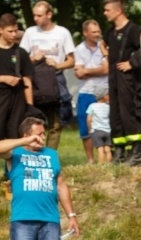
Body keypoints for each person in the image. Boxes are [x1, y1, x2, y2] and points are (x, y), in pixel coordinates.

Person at [0, 117, 80, 240]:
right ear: (26, 135)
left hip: (49, 220)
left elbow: (61, 186)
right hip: (22, 219)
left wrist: (71, 215)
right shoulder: (14, 154)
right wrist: (23, 142)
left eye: (43, 133)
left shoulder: (52, 155)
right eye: (38, 133)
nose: (42, 137)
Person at [102, 0, 141, 166]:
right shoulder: (110, 32)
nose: (105, 13)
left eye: (107, 10)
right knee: (115, 114)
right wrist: (108, 57)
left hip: (129, 80)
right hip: (114, 78)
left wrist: (132, 63)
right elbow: (102, 45)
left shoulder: (133, 29)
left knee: (129, 113)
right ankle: (119, 150)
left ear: (118, 11)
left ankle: (136, 151)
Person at [19, 1, 75, 150]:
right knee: (34, 119)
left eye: (39, 15)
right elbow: (20, 58)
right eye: (34, 15)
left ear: (49, 14)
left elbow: (72, 61)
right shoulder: (30, 32)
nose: (35, 19)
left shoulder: (62, 32)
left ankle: (50, 155)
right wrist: (33, 58)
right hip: (35, 80)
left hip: (55, 79)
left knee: (56, 122)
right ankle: (34, 153)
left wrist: (57, 65)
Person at [74, 19, 109, 164]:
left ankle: (107, 157)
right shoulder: (79, 49)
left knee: (107, 123)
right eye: (93, 32)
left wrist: (87, 70)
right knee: (85, 124)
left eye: (98, 31)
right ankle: (90, 159)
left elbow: (106, 69)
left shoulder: (105, 48)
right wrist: (98, 70)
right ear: (85, 33)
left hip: (105, 91)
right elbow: (78, 74)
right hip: (86, 91)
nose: (97, 34)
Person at [0, 13, 33, 142]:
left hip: (17, 99)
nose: (14, 35)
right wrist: (3, 79)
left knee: (15, 136)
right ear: (1, 30)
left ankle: (12, 163)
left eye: (15, 31)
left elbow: (27, 80)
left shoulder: (20, 52)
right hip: (1, 96)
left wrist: (30, 106)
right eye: (10, 31)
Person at [86, 87, 112, 163]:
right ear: (104, 96)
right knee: (107, 149)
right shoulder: (108, 107)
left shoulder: (92, 106)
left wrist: (89, 129)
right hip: (108, 130)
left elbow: (89, 119)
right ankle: (108, 164)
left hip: (97, 131)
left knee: (100, 149)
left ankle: (100, 165)